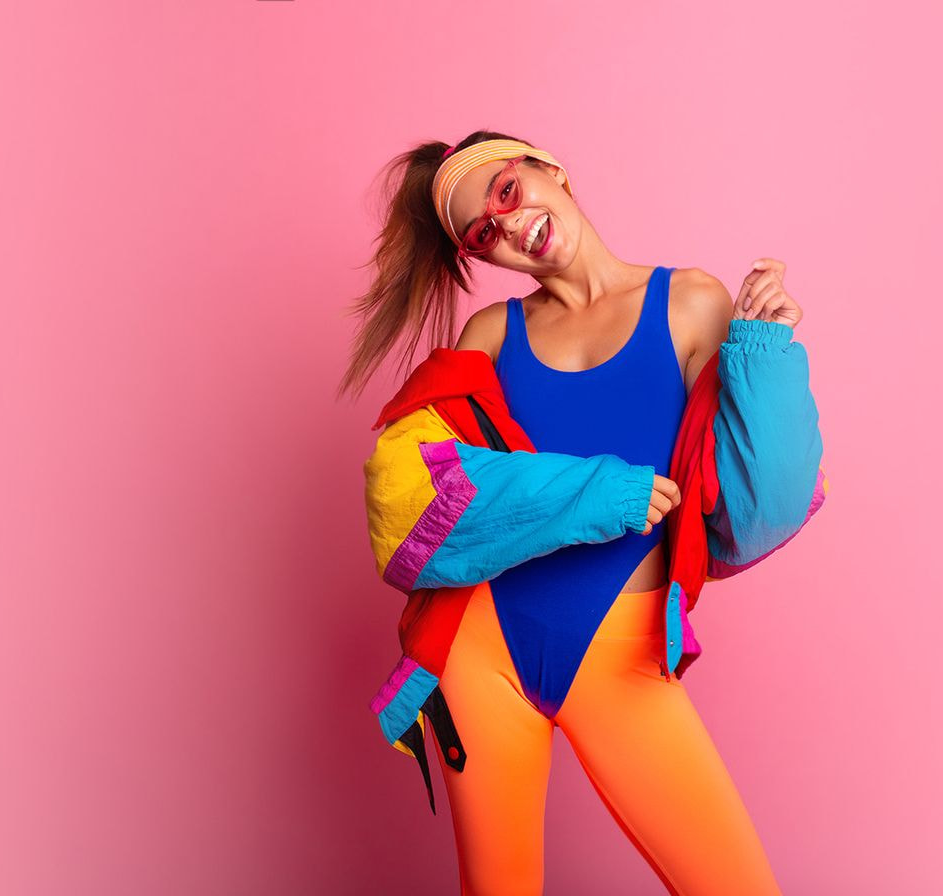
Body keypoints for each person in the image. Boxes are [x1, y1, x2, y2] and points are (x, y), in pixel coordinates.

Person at [341, 131, 826, 895]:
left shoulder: (692, 302)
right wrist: (596, 495)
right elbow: (412, 494)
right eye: (482, 233)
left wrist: (763, 357)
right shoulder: (491, 336)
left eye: (506, 192)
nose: (508, 226)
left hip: (622, 656)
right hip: (481, 653)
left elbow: (754, 506)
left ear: (547, 168)